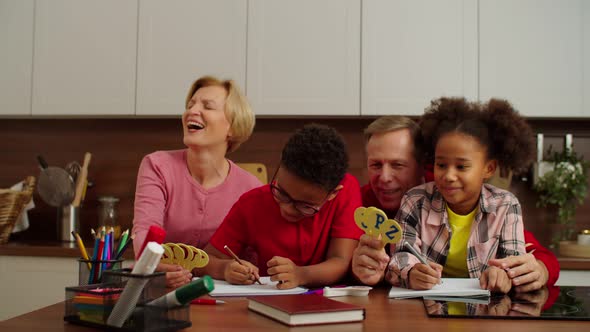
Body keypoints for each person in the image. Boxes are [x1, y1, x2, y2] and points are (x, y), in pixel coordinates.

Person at [352, 115, 559, 292]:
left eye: (398, 164)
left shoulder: (474, 198)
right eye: (375, 165)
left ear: (423, 165)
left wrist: (539, 269)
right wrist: (358, 272)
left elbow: (525, 254)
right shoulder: (358, 202)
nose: (385, 177)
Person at [132, 75, 262, 288]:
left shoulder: (251, 188)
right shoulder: (156, 165)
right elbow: (145, 230)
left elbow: (251, 259)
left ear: (232, 127)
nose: (191, 111)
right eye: (190, 105)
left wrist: (242, 270)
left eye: (207, 106)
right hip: (161, 289)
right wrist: (152, 265)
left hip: (225, 302)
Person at [199, 124, 364, 289]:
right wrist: (225, 268)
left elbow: (341, 261)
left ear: (332, 194)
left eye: (305, 206)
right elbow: (203, 261)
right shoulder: (252, 203)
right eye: (281, 193)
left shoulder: (347, 190)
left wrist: (301, 275)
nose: (287, 209)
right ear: (280, 167)